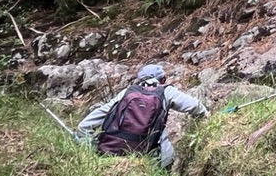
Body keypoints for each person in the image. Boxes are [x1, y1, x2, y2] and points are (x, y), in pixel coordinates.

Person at [77, 63, 208, 169]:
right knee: (166, 146)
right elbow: (195, 106)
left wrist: (90, 150)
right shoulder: (167, 91)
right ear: (162, 80)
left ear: (139, 80)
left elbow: (85, 125)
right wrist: (206, 116)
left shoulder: (126, 93)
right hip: (149, 159)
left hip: (111, 153)